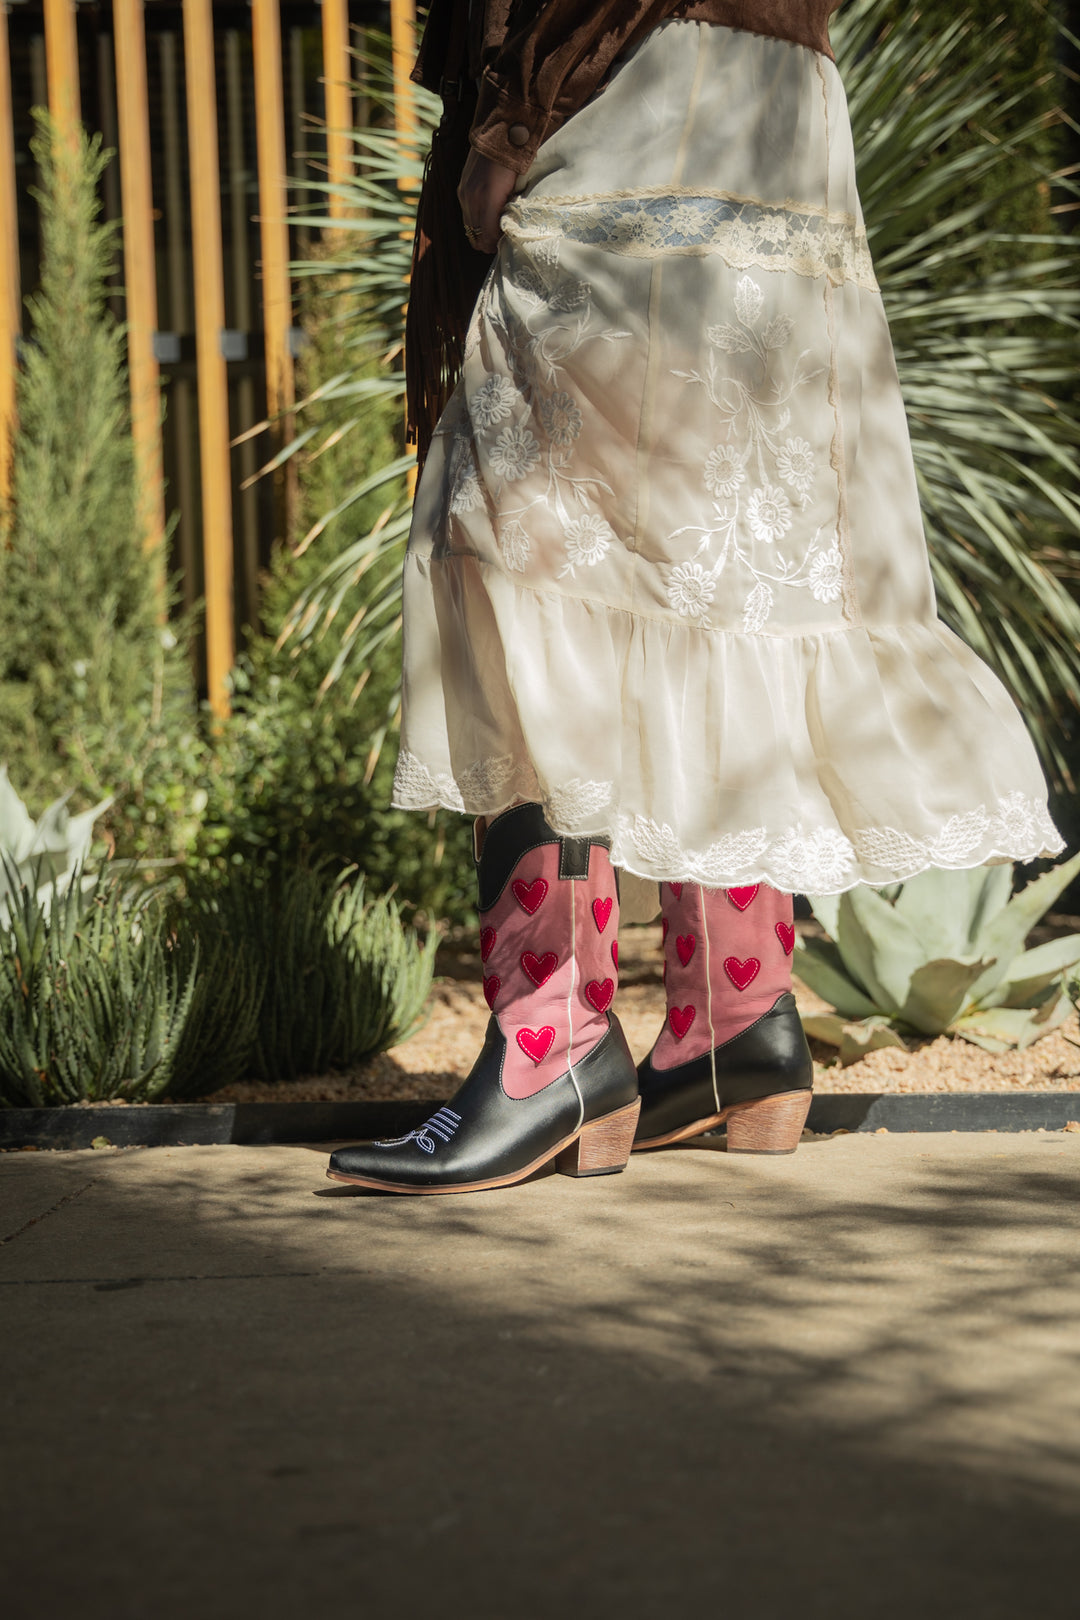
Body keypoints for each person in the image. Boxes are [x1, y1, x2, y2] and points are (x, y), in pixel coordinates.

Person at [327, 0, 1063, 1195]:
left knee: (529, 546)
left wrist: (509, 113)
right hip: (777, 102)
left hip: (619, 79)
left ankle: (548, 1044)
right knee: (725, 561)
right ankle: (736, 1028)